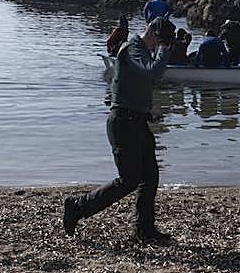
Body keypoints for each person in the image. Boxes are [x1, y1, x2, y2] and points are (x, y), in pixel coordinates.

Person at [63, 16, 175, 243]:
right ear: (153, 33)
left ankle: (144, 230)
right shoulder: (133, 49)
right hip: (123, 124)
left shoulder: (142, 50)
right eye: (162, 40)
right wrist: (164, 49)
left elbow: (140, 82)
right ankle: (77, 206)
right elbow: (154, 73)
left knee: (150, 176)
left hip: (138, 122)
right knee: (129, 180)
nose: (160, 46)